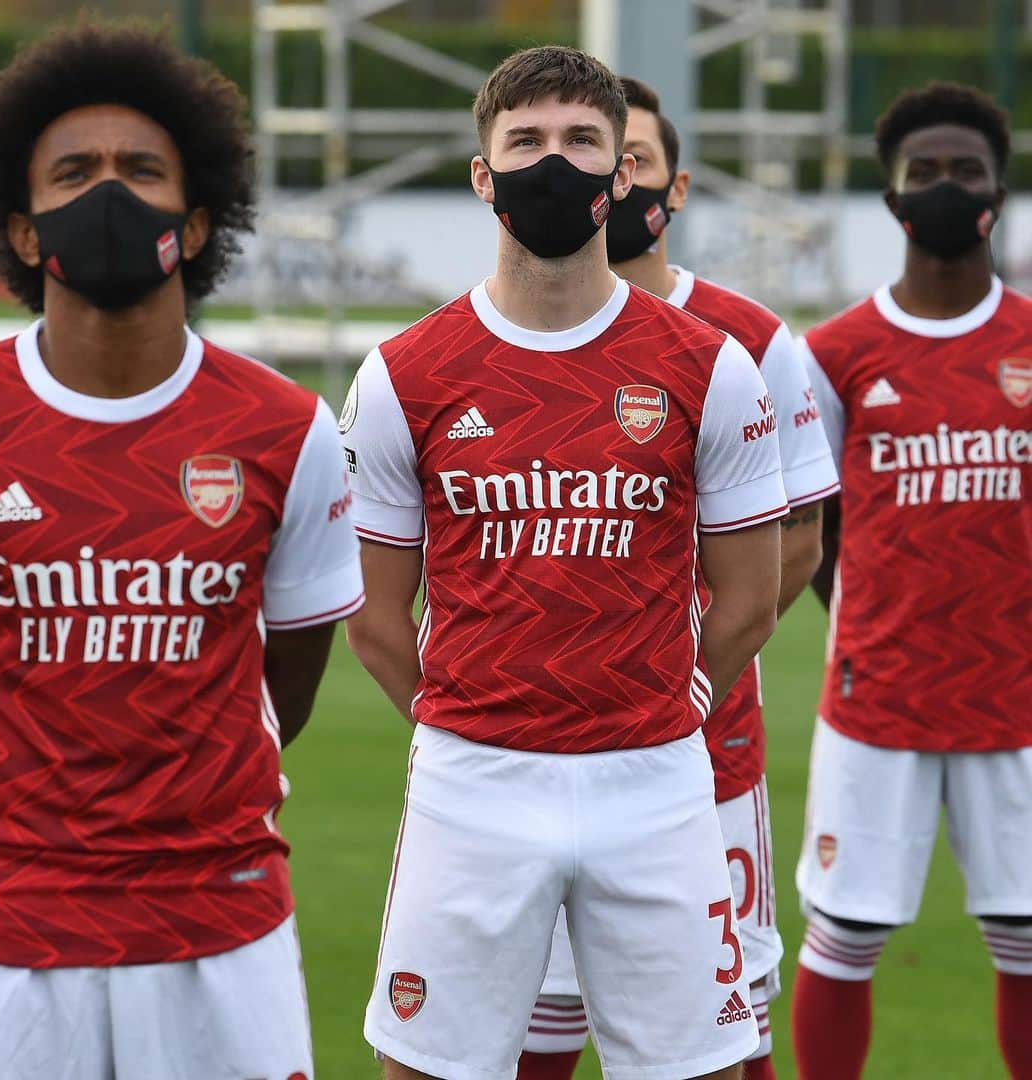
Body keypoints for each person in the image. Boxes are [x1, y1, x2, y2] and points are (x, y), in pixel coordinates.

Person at [344, 45, 790, 1080]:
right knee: (426, 1069)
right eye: (527, 142)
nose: (557, 162)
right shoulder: (404, 373)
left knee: (703, 1068)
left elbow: (752, 599)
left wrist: (666, 705)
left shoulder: (707, 364)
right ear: (481, 173)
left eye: (583, 141)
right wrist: (472, 726)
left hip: (656, 776)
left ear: (621, 174)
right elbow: (374, 620)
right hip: (474, 781)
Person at [0, 22, 363, 1079]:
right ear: (24, 230)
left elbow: (294, 670)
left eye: (141, 171)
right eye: (74, 173)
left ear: (194, 219)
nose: (109, 194)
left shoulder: (286, 428)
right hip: (7, 919)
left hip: (218, 919)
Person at [518, 76, 839, 1080]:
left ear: (667, 185)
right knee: (531, 1026)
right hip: (529, 749)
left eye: (627, 158)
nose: (594, 177)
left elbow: (798, 541)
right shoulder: (494, 340)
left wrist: (687, 667)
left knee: (724, 1028)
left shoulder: (754, 340)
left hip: (704, 743)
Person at [790, 82, 1032, 1080]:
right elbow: (814, 534)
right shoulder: (832, 355)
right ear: (890, 197)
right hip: (877, 700)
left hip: (1017, 700)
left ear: (997, 191)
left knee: (1024, 942)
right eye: (920, 173)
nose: (943, 188)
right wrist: (881, 615)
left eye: (963, 172)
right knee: (842, 940)